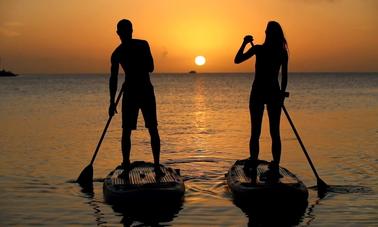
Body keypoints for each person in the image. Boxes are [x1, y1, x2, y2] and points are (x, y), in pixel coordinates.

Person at [108, 19, 163, 178]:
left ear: (131, 31)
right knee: (126, 131)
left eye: (127, 31)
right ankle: (126, 167)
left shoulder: (142, 45)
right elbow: (113, 78)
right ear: (118, 33)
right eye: (123, 32)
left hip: (145, 90)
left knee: (152, 128)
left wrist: (132, 72)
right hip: (131, 93)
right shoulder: (117, 53)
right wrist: (111, 102)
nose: (125, 34)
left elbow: (151, 67)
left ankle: (157, 166)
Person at [234, 21, 288, 181]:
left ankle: (255, 160)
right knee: (273, 132)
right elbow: (284, 77)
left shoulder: (260, 49)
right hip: (271, 93)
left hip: (261, 93)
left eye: (266, 31)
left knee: (257, 132)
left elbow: (237, 59)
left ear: (268, 33)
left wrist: (244, 42)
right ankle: (272, 164)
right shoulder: (280, 52)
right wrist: (281, 93)